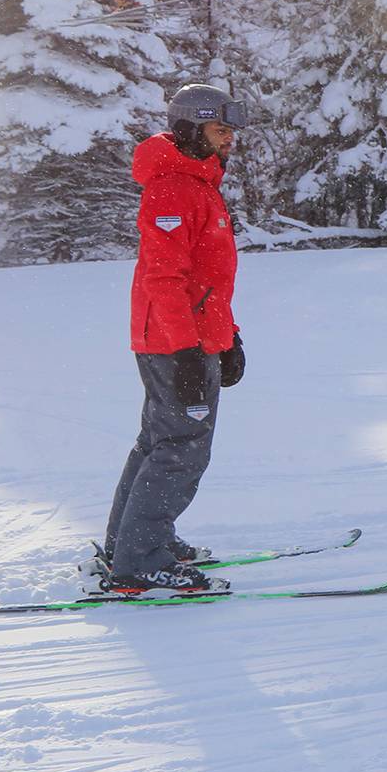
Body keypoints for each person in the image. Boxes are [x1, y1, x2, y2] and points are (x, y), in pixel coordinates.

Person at [99, 84, 250, 594]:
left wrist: (228, 338)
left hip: (190, 338)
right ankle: (141, 560)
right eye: (219, 129)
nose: (229, 139)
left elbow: (208, 278)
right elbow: (165, 277)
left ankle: (130, 542)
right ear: (190, 129)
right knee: (181, 449)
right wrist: (187, 349)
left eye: (231, 130)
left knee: (159, 442)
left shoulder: (198, 184)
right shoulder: (172, 189)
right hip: (174, 343)